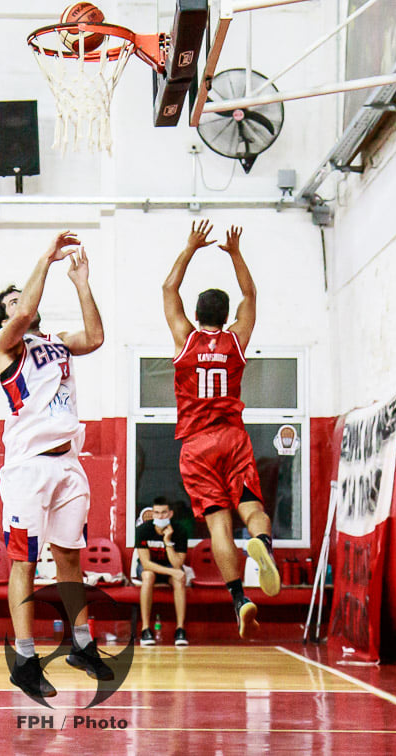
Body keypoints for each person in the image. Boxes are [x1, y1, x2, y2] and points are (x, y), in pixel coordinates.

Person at [0, 230, 108, 699]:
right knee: (24, 561)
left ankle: (81, 644)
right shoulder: (5, 346)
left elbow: (96, 337)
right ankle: (23, 657)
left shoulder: (56, 342)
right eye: (15, 299)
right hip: (27, 468)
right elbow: (21, 312)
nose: (25, 302)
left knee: (69, 557)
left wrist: (80, 283)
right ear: (4, 316)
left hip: (68, 464)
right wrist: (45, 257)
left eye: (28, 294)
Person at [162, 220, 281, 640]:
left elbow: (167, 290)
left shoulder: (185, 340)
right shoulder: (235, 341)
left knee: (218, 525)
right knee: (251, 507)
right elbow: (251, 294)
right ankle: (262, 547)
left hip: (197, 444)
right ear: (226, 316)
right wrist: (234, 253)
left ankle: (238, 598)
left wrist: (190, 247)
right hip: (233, 436)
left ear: (196, 316)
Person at [135, 499, 189, 646]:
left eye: (164, 512)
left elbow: (178, 563)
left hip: (170, 565)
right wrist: (172, 571)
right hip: (150, 567)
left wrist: (167, 541)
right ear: (153, 514)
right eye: (156, 513)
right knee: (148, 576)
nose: (160, 516)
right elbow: (146, 563)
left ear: (170, 514)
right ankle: (145, 629)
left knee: (179, 579)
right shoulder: (142, 530)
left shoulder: (180, 531)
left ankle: (180, 630)